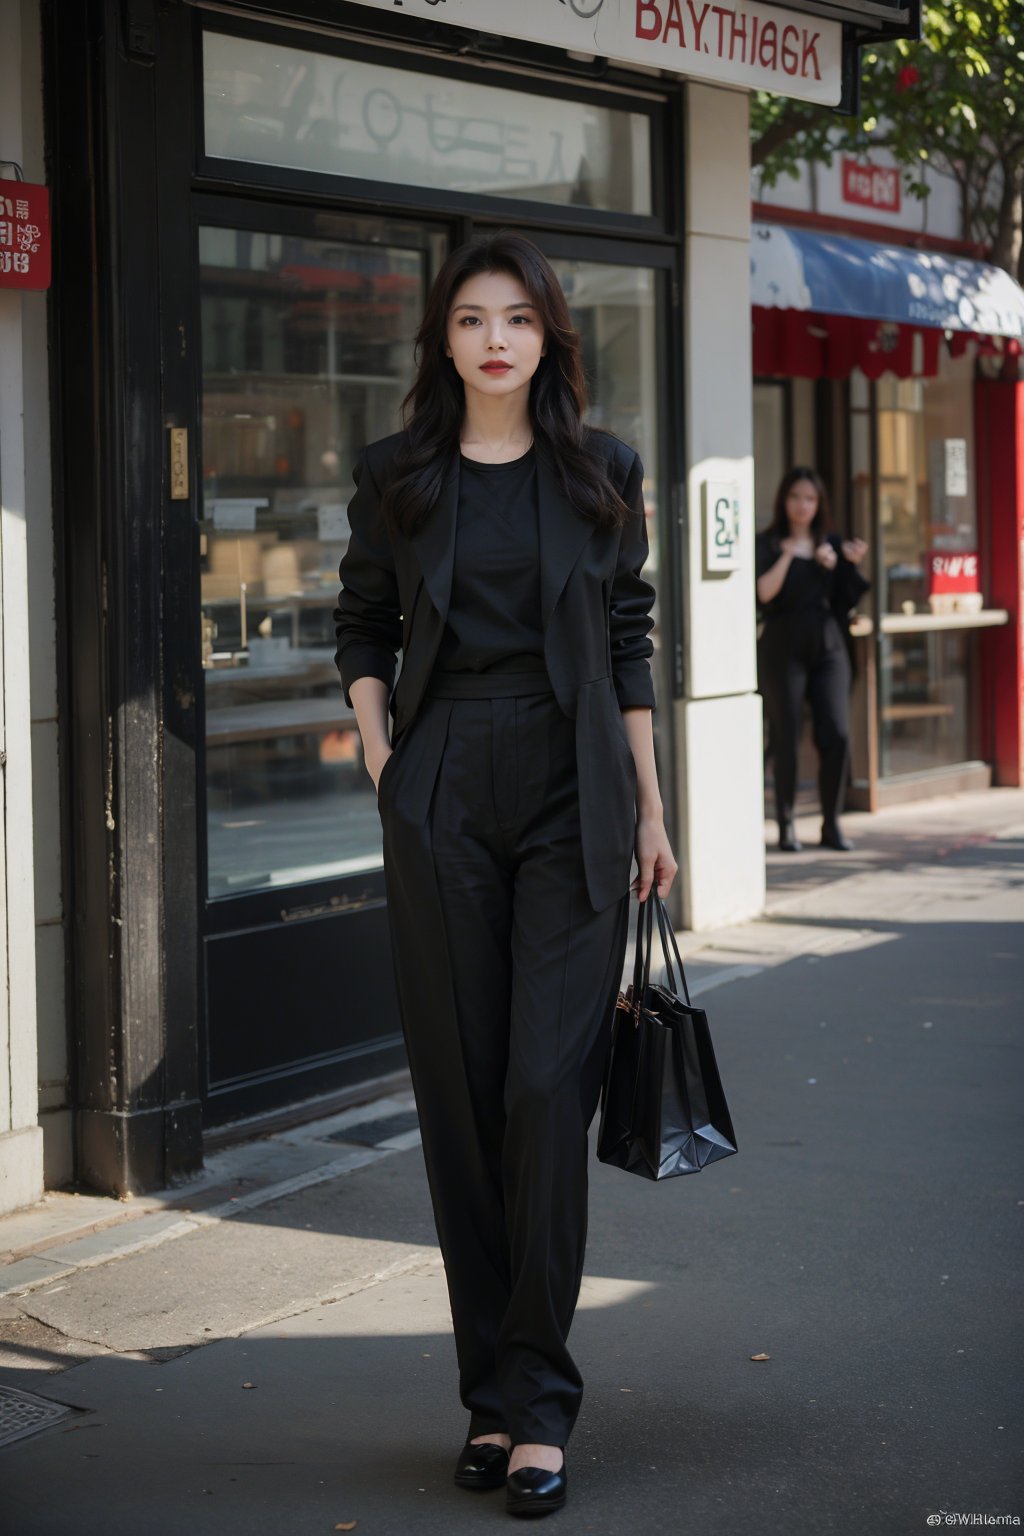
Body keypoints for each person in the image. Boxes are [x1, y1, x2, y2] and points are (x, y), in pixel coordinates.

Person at [333, 231, 676, 1519]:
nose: (492, 339)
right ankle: (494, 1397)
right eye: (470, 319)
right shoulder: (400, 475)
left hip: (573, 785)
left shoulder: (603, 471)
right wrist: (382, 758)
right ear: (444, 338)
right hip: (438, 786)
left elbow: (628, 633)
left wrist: (650, 807)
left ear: (547, 337)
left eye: (515, 319)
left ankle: (538, 1403)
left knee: (544, 1087)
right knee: (462, 1097)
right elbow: (362, 619)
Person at [755, 466, 870, 853]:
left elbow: (846, 600)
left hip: (829, 647)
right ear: (784, 501)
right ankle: (786, 823)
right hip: (783, 647)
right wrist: (789, 556)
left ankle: (831, 824)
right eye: (795, 497)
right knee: (785, 734)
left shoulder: (831, 545)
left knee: (836, 732)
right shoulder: (769, 543)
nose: (802, 505)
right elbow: (764, 594)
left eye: (810, 498)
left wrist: (844, 566)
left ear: (819, 504)